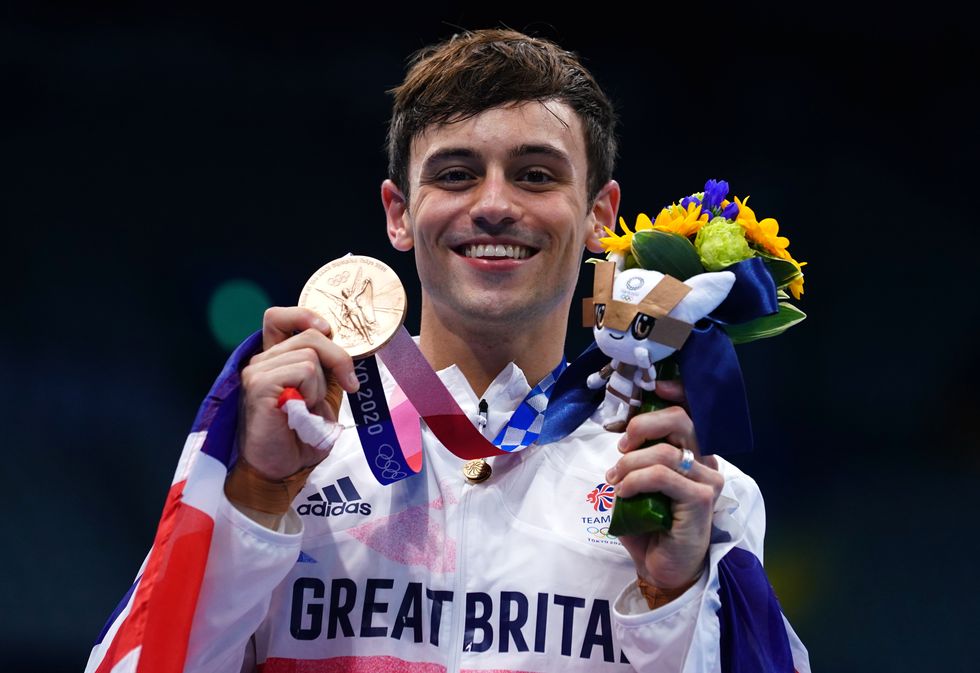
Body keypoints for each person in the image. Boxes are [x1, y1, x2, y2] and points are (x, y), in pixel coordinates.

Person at [87, 28, 809, 673]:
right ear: (399, 213)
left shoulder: (685, 489)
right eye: (456, 173)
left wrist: (673, 595)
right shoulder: (288, 443)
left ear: (600, 214)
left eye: (536, 174)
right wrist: (252, 497)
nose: (493, 203)